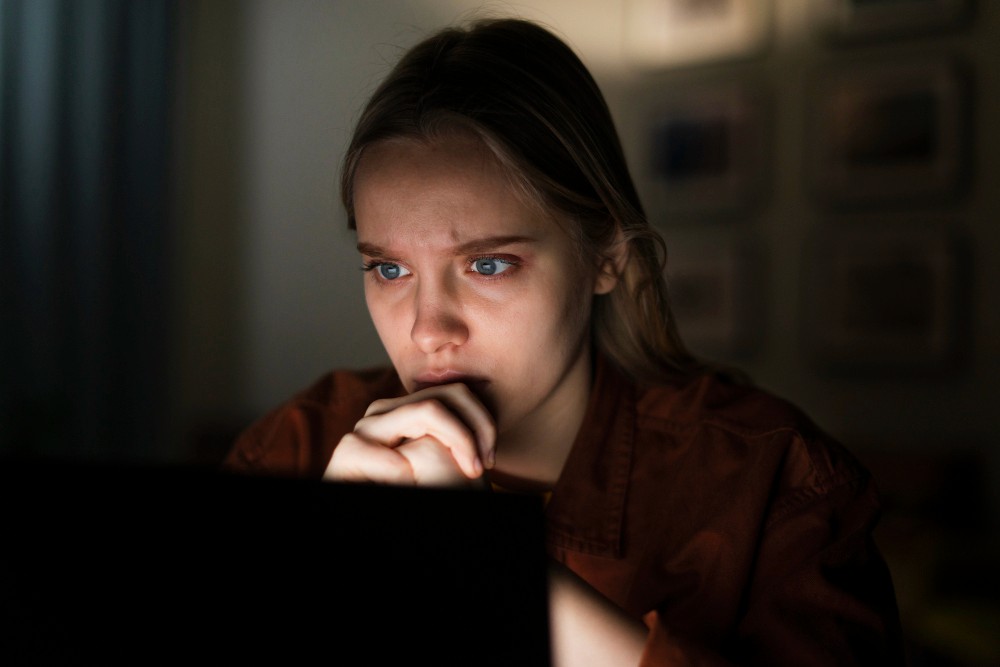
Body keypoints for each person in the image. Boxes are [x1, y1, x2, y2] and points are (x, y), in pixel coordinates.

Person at [223, 17, 904, 666]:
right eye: (389, 269)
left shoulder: (776, 485)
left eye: (488, 264)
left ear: (605, 254)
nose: (428, 329)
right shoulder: (295, 448)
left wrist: (479, 560)